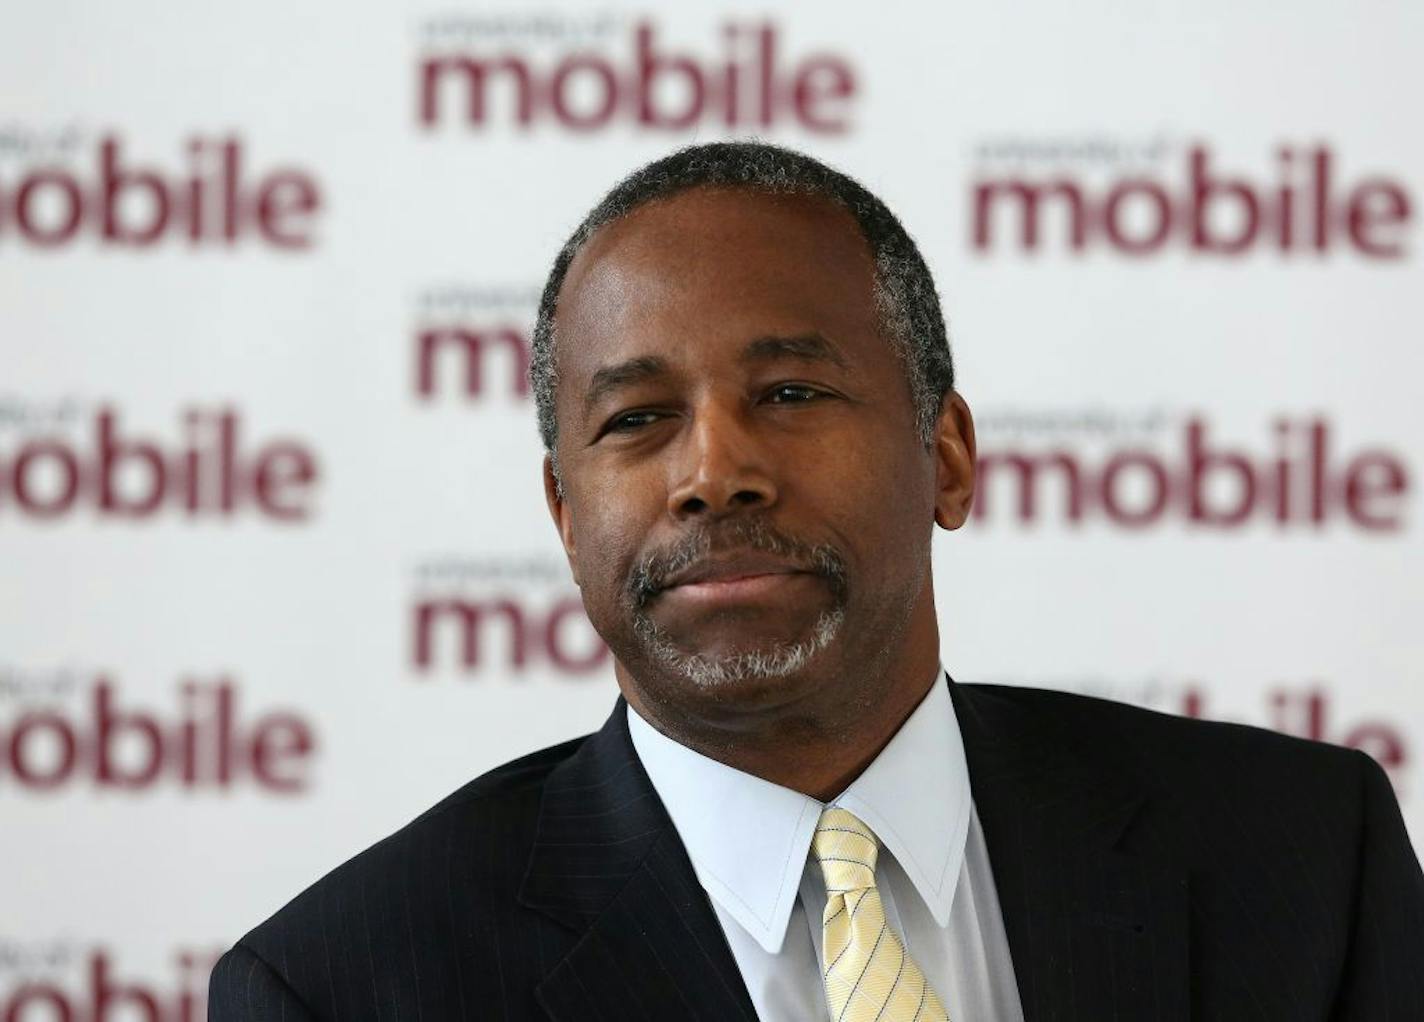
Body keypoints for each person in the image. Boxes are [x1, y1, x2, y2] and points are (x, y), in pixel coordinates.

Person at [209, 142, 1424, 1021]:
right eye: (636, 417)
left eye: (789, 393)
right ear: (564, 515)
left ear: (944, 454)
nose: (712, 471)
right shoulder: (349, 983)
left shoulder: (1302, 858)